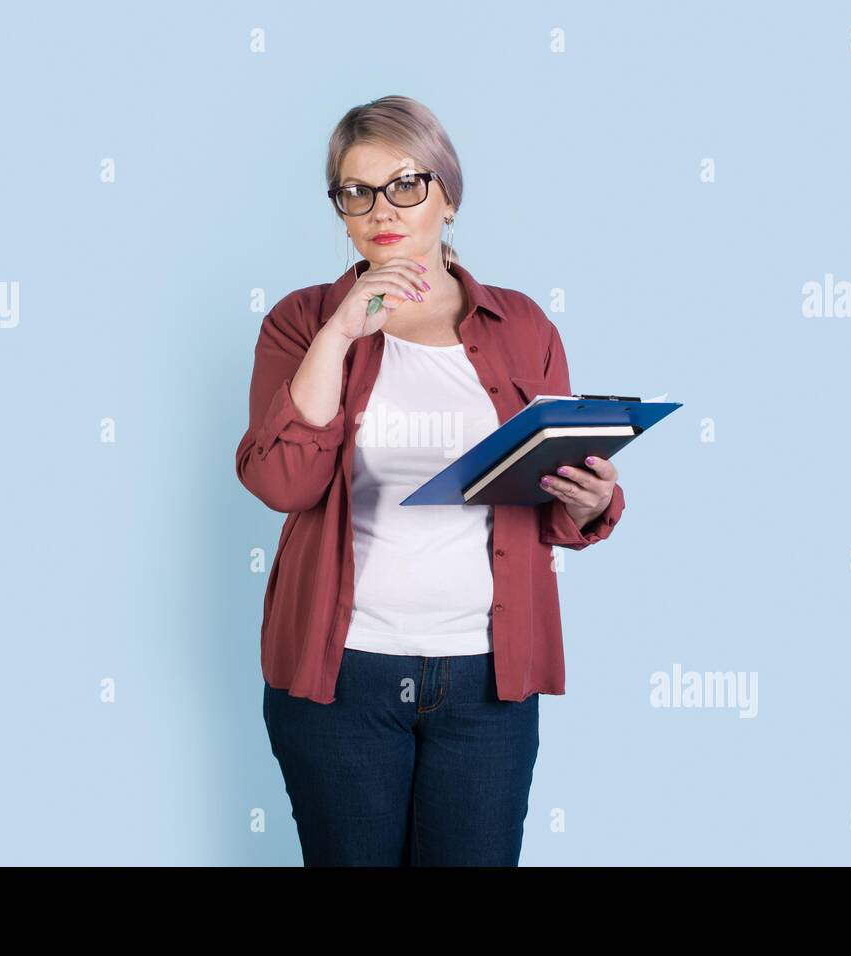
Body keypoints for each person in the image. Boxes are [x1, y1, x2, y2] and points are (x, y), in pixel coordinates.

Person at [236, 95, 626, 866]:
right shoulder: (301, 319)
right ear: (341, 211)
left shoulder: (523, 327)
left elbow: (549, 499)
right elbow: (281, 482)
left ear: (448, 194)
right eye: (357, 191)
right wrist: (342, 329)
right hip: (340, 678)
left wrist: (594, 499)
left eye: (406, 184)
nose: (382, 209)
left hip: (488, 682)